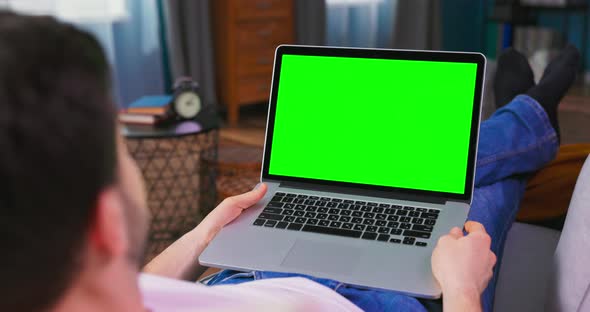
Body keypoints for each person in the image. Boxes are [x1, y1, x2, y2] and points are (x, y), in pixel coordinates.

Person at [0, 12, 579, 312]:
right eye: (120, 151)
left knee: (403, 174)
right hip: (372, 301)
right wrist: (462, 289)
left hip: (245, 275)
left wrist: (207, 229)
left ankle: (528, 117)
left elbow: (138, 285)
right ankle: (532, 119)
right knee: (464, 207)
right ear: (105, 224)